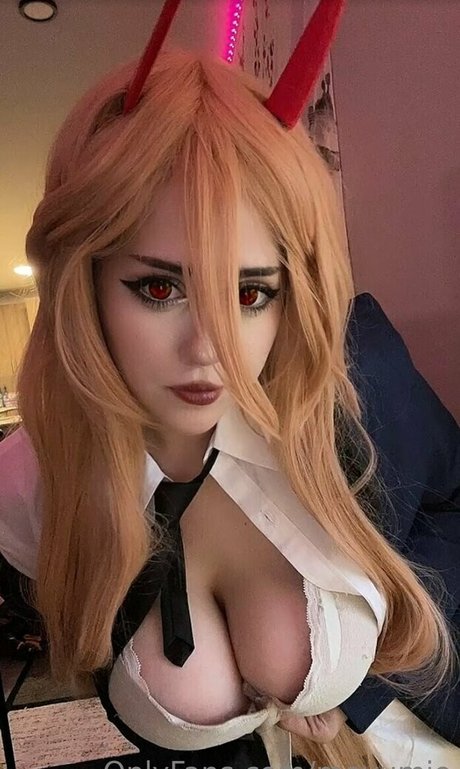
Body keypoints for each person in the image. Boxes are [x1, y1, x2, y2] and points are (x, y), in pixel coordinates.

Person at [0, 1, 459, 767]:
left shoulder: (357, 378)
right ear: (85, 283)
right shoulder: (34, 483)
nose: (209, 349)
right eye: (159, 288)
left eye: (250, 292)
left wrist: (361, 676)